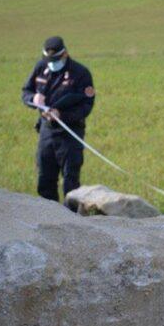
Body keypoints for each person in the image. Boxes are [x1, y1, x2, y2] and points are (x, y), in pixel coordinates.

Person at [22, 36, 95, 203]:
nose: (52, 63)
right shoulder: (41, 68)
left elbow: (87, 105)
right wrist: (33, 99)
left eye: (55, 59)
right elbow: (25, 92)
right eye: (49, 59)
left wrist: (62, 115)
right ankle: (49, 217)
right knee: (45, 178)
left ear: (65, 54)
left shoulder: (80, 74)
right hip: (46, 131)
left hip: (70, 133)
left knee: (71, 181)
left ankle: (72, 220)